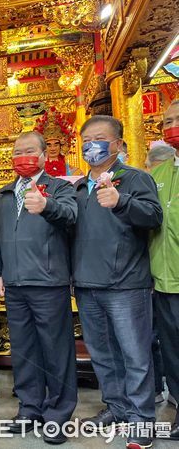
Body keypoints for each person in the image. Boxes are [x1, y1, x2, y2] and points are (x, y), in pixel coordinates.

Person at [72, 116, 162, 449]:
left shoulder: (134, 178)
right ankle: (117, 407)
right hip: (86, 283)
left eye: (99, 138)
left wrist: (122, 202)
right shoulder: (80, 187)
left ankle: (142, 419)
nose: (91, 145)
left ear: (117, 144)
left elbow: (153, 217)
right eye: (86, 139)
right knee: (103, 354)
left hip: (126, 284)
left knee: (135, 354)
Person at [0, 131, 78, 444]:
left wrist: (46, 205)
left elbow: (71, 216)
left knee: (56, 350)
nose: (22, 157)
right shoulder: (2, 195)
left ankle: (58, 413)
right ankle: (29, 408)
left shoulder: (59, 187)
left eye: (29, 151)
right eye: (17, 151)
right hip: (14, 284)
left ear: (43, 156)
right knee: (25, 350)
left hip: (48, 282)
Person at [149, 100, 179, 440]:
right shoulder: (157, 173)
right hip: (163, 280)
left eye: (177, 120)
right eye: (166, 121)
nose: (171, 125)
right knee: (171, 350)